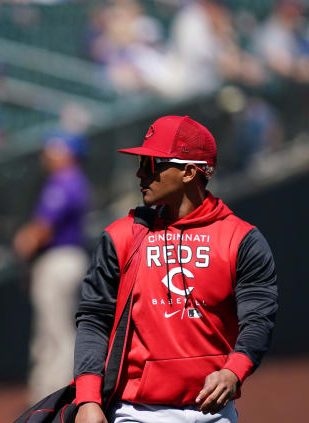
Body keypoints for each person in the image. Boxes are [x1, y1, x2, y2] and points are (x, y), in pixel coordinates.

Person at [73, 115, 278, 423]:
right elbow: (94, 318)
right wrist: (88, 398)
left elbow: (259, 318)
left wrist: (233, 371)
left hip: (214, 414)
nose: (140, 173)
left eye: (151, 163)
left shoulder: (242, 239)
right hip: (135, 413)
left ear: (188, 172)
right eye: (141, 162)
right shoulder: (121, 236)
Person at [13, 130, 90, 403]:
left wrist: (23, 243)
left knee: (57, 332)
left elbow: (41, 230)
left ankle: (55, 397)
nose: (47, 155)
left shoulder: (64, 181)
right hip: (66, 258)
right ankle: (47, 394)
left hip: (59, 259)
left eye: (54, 150)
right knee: (52, 331)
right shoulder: (75, 180)